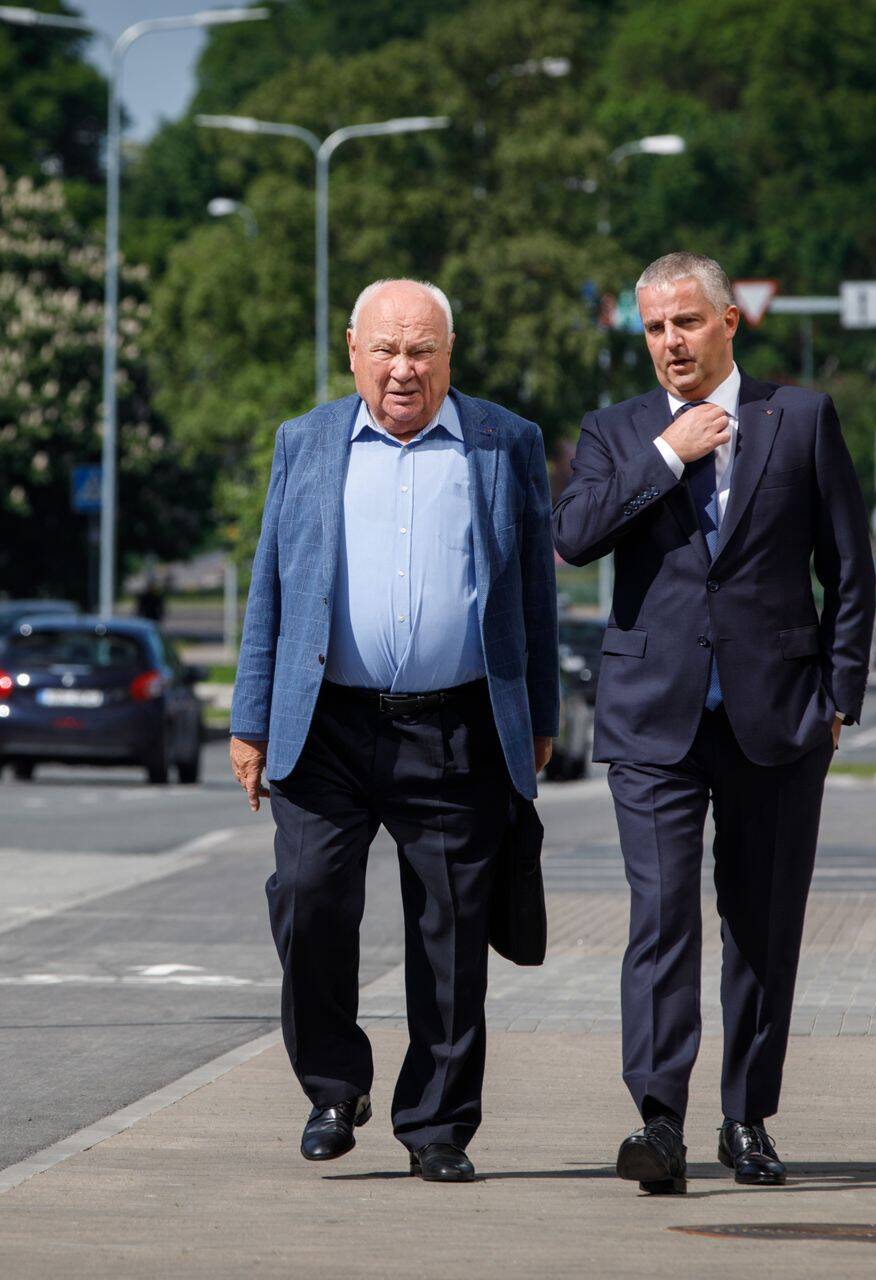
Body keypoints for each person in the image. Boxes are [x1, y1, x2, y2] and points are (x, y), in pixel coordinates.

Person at [552, 252, 875, 1192]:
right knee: (660, 919)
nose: (669, 344)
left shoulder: (801, 417)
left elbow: (849, 570)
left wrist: (839, 698)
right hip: (652, 720)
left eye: (686, 323)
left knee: (763, 926)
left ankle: (748, 1118)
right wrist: (670, 454)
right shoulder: (615, 433)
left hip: (779, 718)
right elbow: (574, 538)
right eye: (653, 329)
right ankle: (658, 1122)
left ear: (730, 321)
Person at [229, 278, 558, 1184]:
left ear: (450, 356)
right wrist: (250, 718)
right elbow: (272, 588)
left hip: (454, 729)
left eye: (421, 350)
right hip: (324, 726)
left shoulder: (504, 443)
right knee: (306, 894)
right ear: (352, 350)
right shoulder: (306, 443)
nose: (403, 369)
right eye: (386, 349)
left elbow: (535, 591)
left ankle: (437, 1126)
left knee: (450, 934)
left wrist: (539, 718)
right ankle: (335, 1087)